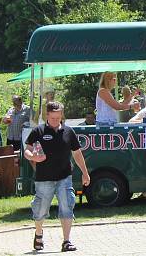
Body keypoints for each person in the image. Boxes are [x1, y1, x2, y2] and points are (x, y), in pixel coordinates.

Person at [25, 102, 90, 252]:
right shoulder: (38, 131)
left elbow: (77, 154)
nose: (55, 121)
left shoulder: (68, 132)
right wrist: (33, 157)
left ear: (62, 115)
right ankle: (39, 234)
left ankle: (66, 241)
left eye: (58, 117)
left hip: (64, 177)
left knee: (67, 206)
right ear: (46, 115)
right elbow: (27, 150)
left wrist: (85, 173)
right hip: (44, 178)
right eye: (53, 117)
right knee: (40, 210)